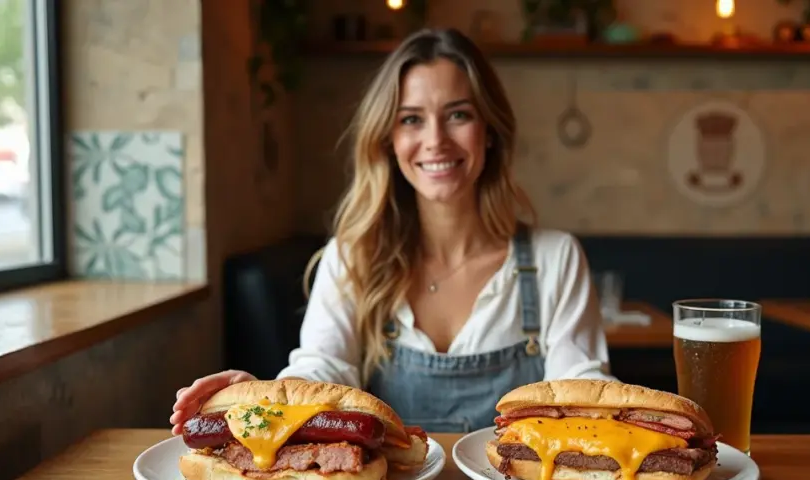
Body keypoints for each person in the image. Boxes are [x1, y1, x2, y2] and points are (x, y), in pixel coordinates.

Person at [171, 27, 617, 435]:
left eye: (458, 114)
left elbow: (582, 391)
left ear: (490, 131)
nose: (436, 140)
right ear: (388, 140)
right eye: (411, 119)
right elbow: (324, 369)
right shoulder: (353, 256)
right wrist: (264, 396)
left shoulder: (554, 259)